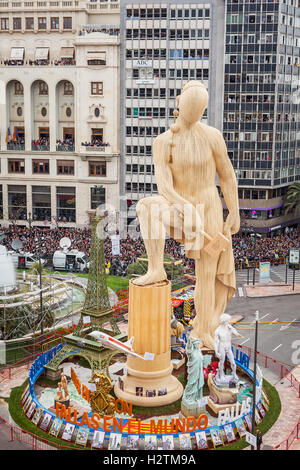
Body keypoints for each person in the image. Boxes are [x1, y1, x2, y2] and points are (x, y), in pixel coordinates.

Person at [131, 81, 240, 348]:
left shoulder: (212, 136)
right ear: (178, 104)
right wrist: (184, 205)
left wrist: (234, 210)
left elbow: (227, 176)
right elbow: (164, 186)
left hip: (210, 209)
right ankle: (156, 268)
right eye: (188, 109)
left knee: (206, 273)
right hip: (180, 209)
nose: (193, 116)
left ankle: (203, 329)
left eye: (198, 111)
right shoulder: (163, 142)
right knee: (146, 207)